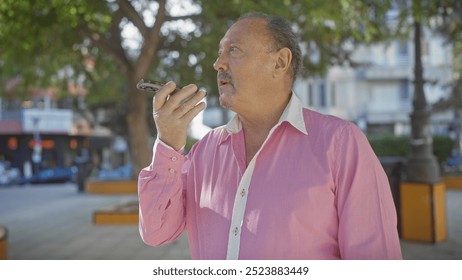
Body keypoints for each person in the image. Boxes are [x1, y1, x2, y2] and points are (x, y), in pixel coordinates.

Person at [138, 12, 402, 260]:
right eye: (220, 53)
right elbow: (156, 232)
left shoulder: (342, 144)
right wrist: (168, 144)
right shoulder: (204, 151)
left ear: (280, 62)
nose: (218, 64)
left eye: (233, 50)